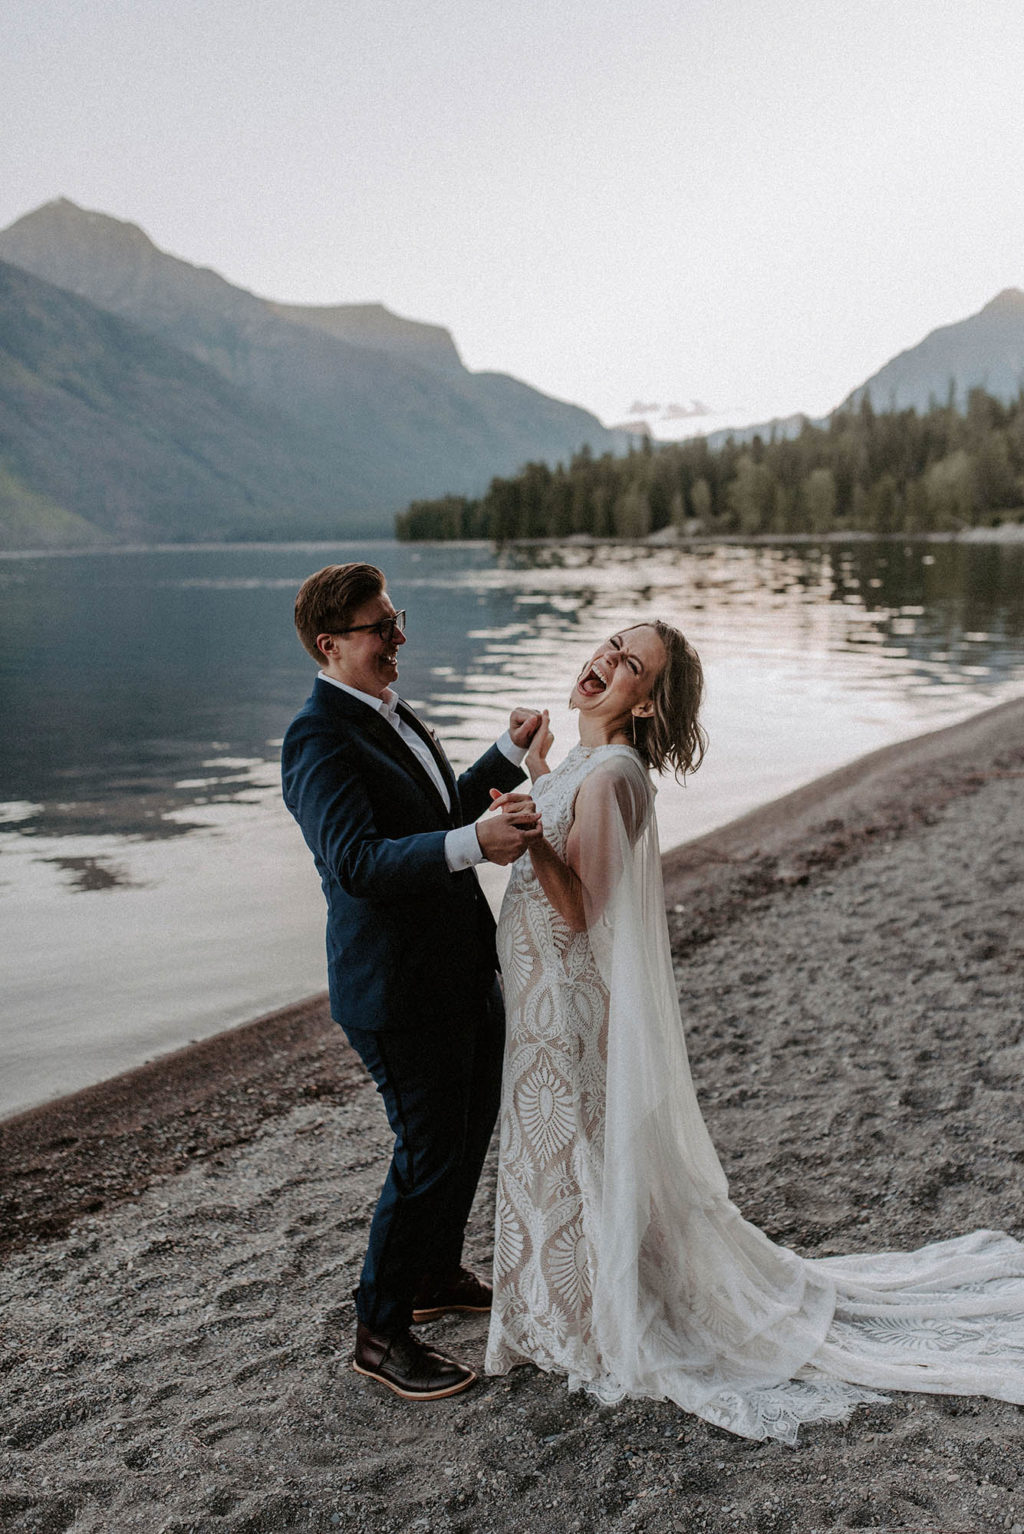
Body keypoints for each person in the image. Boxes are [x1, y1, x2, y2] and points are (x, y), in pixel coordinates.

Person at [484, 620, 1024, 1443]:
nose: (604, 661)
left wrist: (527, 836)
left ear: (649, 704)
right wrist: (534, 777)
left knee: (575, 1151)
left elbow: (582, 908)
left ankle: (591, 1312)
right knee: (568, 1149)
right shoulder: (587, 765)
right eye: (609, 645)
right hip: (544, 997)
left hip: (567, 1003)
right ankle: (573, 1302)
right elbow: (570, 837)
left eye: (630, 665)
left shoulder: (614, 774)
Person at [282, 562, 543, 1401]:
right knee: (427, 1152)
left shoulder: (390, 715)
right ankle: (379, 1330)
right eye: (381, 627)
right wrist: (475, 844)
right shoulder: (317, 736)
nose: (399, 638)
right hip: (395, 989)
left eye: (398, 620)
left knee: (469, 1132)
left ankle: (431, 1277)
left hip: (462, 969)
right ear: (332, 644)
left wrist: (507, 756)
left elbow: (435, 819)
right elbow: (356, 862)